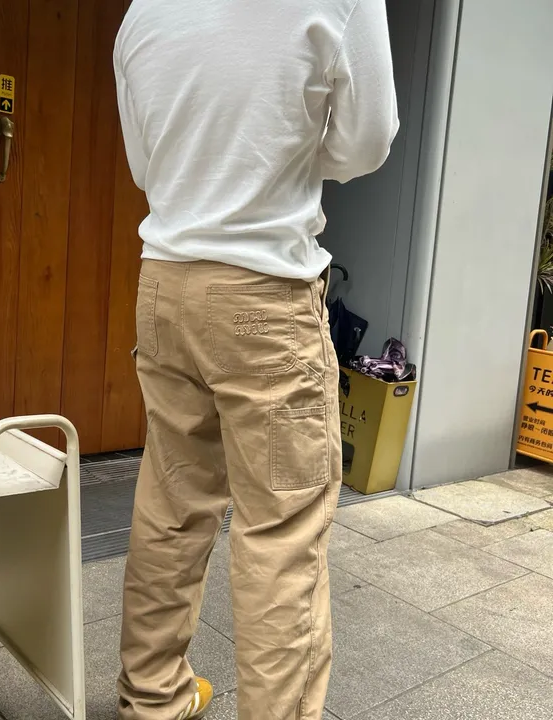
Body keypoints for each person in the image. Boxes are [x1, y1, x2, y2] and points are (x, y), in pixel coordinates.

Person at [113, 0, 398, 718]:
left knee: (172, 502)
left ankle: (152, 699)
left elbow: (146, 166)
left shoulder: (142, 13)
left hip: (165, 280)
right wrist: (286, 152)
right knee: (281, 530)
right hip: (263, 292)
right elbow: (367, 143)